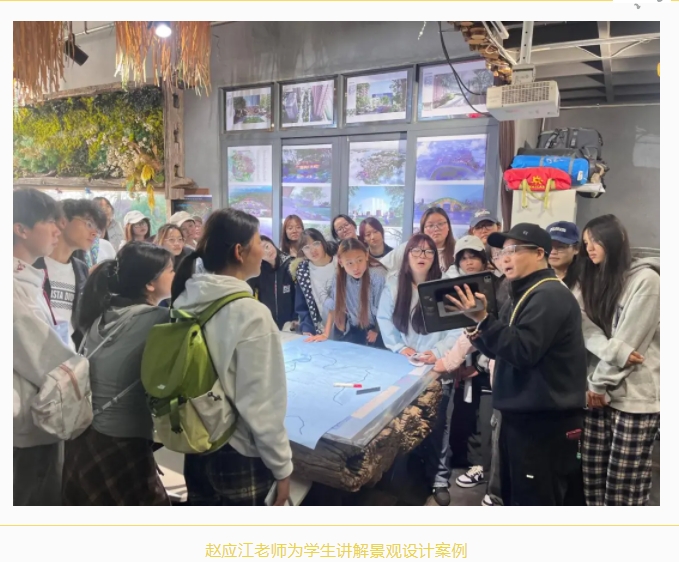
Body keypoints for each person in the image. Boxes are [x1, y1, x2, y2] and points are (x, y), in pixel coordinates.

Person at [447, 223, 588, 506]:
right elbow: (501, 349)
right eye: (501, 252)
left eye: (513, 250)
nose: (505, 258)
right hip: (523, 417)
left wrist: (484, 320)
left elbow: (523, 351)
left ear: (539, 253)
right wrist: (476, 326)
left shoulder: (549, 295)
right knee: (518, 495)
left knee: (537, 500)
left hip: (544, 422)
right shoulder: (523, 291)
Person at [172, 208, 293, 506]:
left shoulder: (187, 297)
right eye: (258, 242)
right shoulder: (250, 313)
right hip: (238, 452)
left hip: (197, 442)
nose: (263, 250)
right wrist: (282, 467)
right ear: (240, 251)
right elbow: (261, 402)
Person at [61, 242, 175, 505]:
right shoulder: (159, 319)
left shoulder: (102, 313)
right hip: (122, 442)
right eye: (171, 270)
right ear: (150, 284)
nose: (176, 275)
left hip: (84, 438)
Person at [577, 214, 660, 506]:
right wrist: (610, 353)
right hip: (596, 392)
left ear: (617, 239)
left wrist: (599, 384)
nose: (589, 248)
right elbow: (584, 325)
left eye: (595, 240)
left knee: (623, 486)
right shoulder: (592, 278)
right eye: (585, 242)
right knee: (592, 476)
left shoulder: (647, 280)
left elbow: (631, 343)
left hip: (633, 397)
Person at [376, 233, 462, 505]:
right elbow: (384, 320)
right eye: (416, 251)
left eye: (428, 251)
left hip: (437, 367)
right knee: (403, 424)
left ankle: (439, 478)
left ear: (435, 257)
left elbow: (456, 329)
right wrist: (401, 348)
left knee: (439, 425)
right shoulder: (394, 285)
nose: (422, 256)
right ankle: (403, 478)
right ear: (407, 255)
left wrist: (436, 352)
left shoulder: (444, 287)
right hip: (405, 366)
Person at [13, 189, 74, 506]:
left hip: (34, 418)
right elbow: (42, 356)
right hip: (25, 426)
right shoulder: (12, 288)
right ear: (20, 229)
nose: (57, 230)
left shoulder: (27, 279)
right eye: (49, 221)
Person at [34, 199, 107, 351]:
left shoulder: (81, 269)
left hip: (67, 354)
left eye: (98, 229)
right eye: (89, 224)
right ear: (63, 220)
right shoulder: (32, 264)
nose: (94, 233)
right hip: (34, 352)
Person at [307, 238, 386, 347]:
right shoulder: (339, 277)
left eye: (359, 260)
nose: (356, 267)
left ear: (366, 256)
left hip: (381, 328)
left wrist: (376, 330)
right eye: (349, 263)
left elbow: (384, 310)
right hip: (356, 328)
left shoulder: (378, 276)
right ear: (341, 262)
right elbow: (334, 306)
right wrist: (325, 334)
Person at [382, 208, 456, 276]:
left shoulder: (458, 249)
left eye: (440, 224)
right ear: (423, 229)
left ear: (448, 226)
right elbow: (382, 267)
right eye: (430, 225)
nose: (436, 229)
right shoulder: (410, 247)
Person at [291, 228, 338, 336]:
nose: (312, 250)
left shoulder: (340, 262)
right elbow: (302, 305)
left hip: (346, 329)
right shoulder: (303, 272)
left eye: (316, 243)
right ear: (302, 251)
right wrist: (307, 327)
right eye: (306, 247)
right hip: (319, 331)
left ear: (323, 243)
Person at [248, 236, 297, 331]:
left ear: (271, 242)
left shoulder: (290, 264)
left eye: (267, 246)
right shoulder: (258, 271)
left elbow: (298, 294)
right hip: (267, 324)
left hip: (289, 324)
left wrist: (295, 318)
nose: (268, 251)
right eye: (262, 251)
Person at [547, 221, 580, 290]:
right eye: (549, 246)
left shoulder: (586, 281)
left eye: (561, 247)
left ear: (576, 248)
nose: (553, 252)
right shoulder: (537, 278)